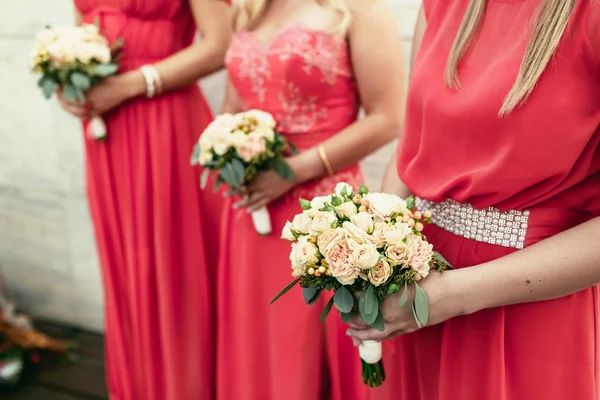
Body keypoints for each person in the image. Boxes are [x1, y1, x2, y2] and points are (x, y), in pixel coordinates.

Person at [346, 1, 600, 399]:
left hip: (521, 304)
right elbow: (416, 144)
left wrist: (445, 297)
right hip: (411, 288)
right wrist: (370, 246)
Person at [215, 0, 406, 398]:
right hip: (252, 210)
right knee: (263, 336)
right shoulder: (246, 8)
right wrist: (228, 154)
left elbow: (389, 117)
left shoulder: (359, 9)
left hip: (324, 215)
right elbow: (233, 109)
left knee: (316, 337)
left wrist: (290, 174)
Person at [57, 1, 231, 398]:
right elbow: (79, 32)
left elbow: (222, 43)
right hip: (106, 134)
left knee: (172, 262)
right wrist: (70, 85)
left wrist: (133, 83)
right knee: (123, 259)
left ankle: (188, 387)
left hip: (164, 123)